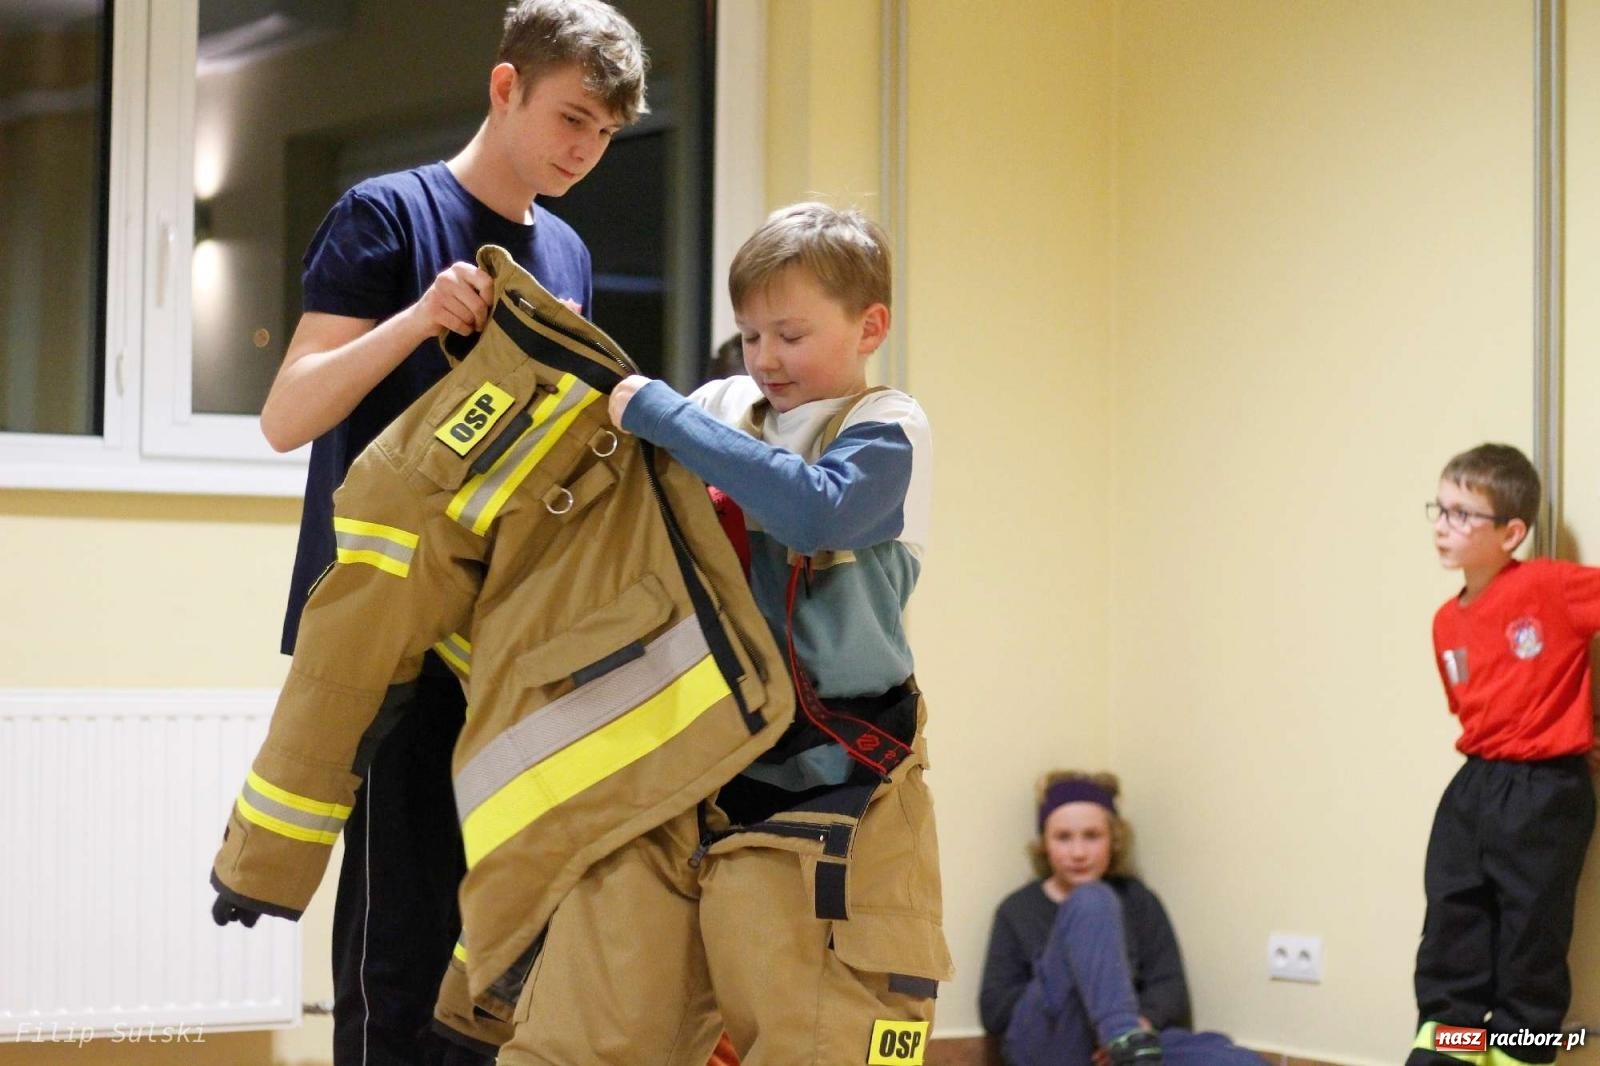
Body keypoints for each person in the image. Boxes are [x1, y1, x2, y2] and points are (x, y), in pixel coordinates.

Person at [245, 5, 647, 1064]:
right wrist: (419, 319)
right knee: (396, 946)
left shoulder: (565, 249)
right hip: (389, 638)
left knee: (497, 942)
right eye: (570, 118)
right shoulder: (385, 213)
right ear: (504, 86)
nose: (583, 151)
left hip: (509, 645)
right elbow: (287, 415)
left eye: (604, 134)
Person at [489, 202, 951, 1064]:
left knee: (813, 1028)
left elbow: (816, 512)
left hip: (828, 778)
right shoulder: (723, 405)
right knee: (592, 1026)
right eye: (750, 337)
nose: (767, 359)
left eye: (791, 334)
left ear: (869, 327)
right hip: (689, 768)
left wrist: (662, 414)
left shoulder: (889, 427)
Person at [1409, 443, 1600, 1065]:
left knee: (1530, 937)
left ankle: (1518, 1053)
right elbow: (1474, 709)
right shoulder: (1445, 621)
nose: (1443, 523)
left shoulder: (1547, 586)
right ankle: (1452, 1049)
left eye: (1464, 514)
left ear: (1511, 532)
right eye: (1440, 507)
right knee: (1453, 920)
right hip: (1477, 783)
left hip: (1544, 788)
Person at [980, 771, 1260, 1066]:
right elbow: (994, 1010)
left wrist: (1142, 1023)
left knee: (1233, 1059)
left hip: (1133, 1044)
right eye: (1063, 838)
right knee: (1091, 899)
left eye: (1092, 836)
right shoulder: (1017, 909)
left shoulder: (1138, 900)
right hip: (1053, 1044)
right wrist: (1067, 984)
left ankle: (1126, 1044)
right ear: (1044, 844)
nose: (1078, 852)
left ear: (1113, 840)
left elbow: (1171, 988)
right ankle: (1122, 1040)